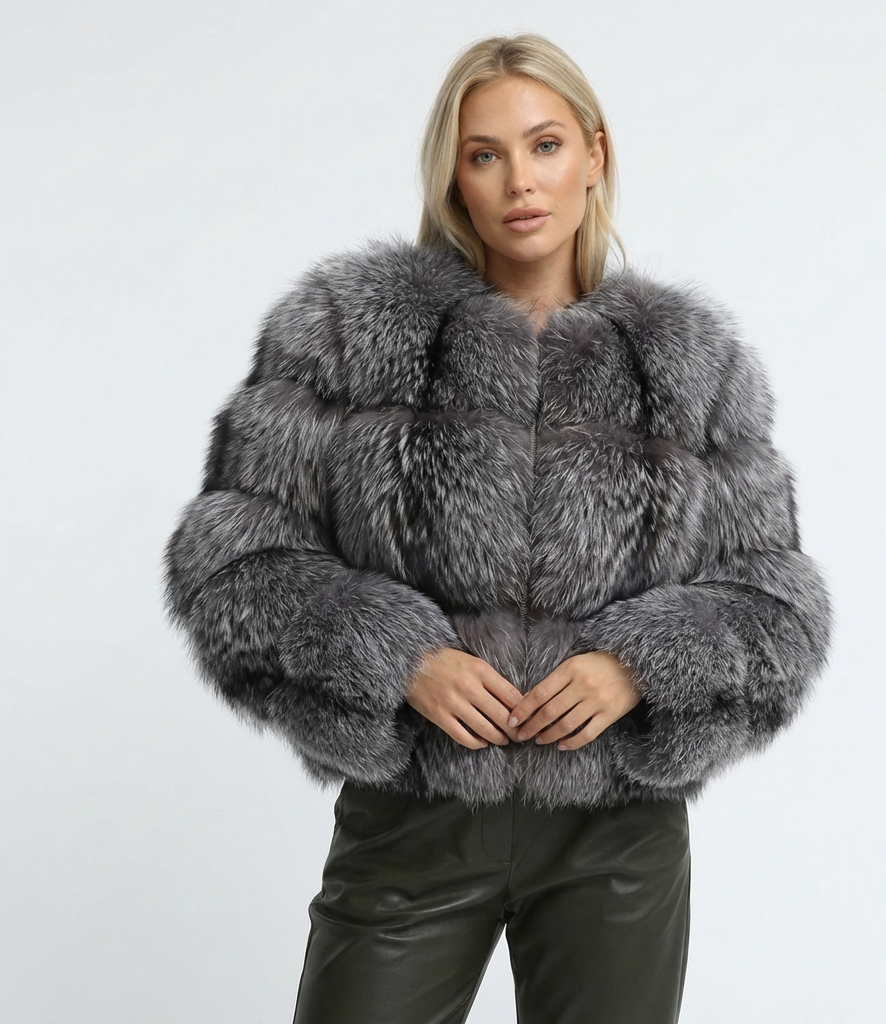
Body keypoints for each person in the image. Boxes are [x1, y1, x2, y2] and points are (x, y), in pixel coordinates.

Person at [162, 32, 833, 1024]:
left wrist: (639, 663)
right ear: (454, 179)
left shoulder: (690, 362)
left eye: (545, 144)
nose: (520, 180)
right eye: (485, 155)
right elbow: (231, 561)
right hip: (412, 820)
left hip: (615, 834)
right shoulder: (349, 332)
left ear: (593, 155)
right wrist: (398, 655)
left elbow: (776, 602)